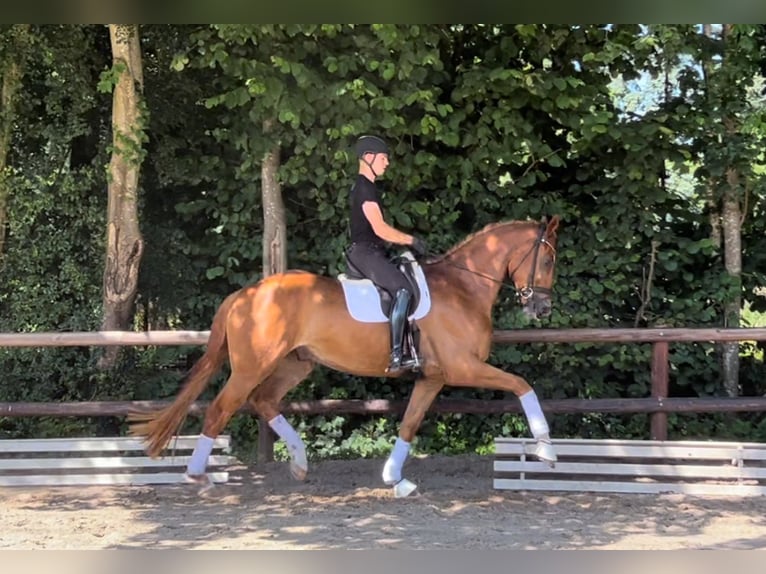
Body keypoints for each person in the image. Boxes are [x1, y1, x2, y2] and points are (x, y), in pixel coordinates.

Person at [345, 135, 427, 374]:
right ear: (368, 158)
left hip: (371, 250)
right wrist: (411, 240)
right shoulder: (365, 188)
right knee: (403, 289)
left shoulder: (367, 187)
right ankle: (396, 354)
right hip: (364, 253)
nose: (387, 163)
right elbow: (380, 228)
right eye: (383, 158)